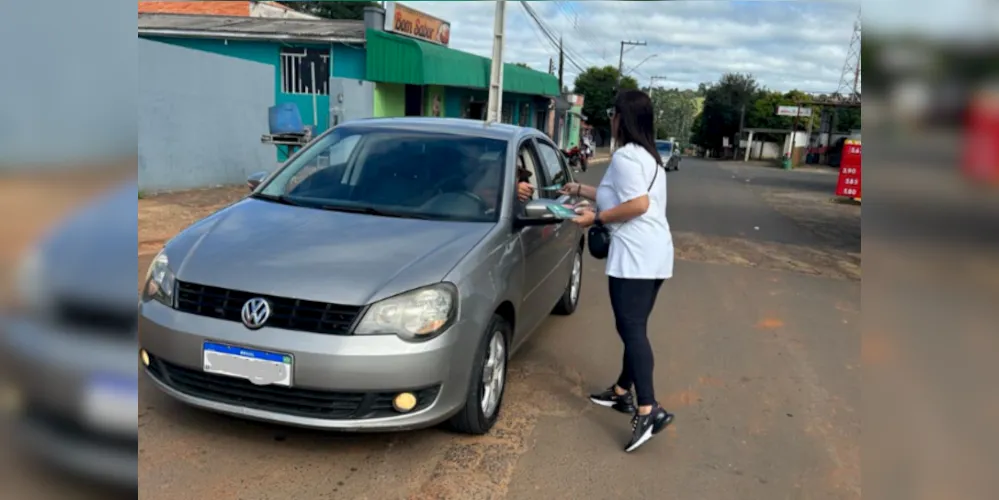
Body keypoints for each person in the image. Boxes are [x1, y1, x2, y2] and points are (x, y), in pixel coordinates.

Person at [560, 89, 675, 452]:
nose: (611, 119)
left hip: (636, 255)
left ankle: (649, 408)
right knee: (635, 327)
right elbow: (621, 194)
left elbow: (636, 204)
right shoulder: (649, 157)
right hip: (656, 254)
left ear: (620, 119)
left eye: (613, 114)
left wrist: (597, 218)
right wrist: (580, 188)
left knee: (631, 330)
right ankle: (623, 392)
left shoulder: (626, 156)